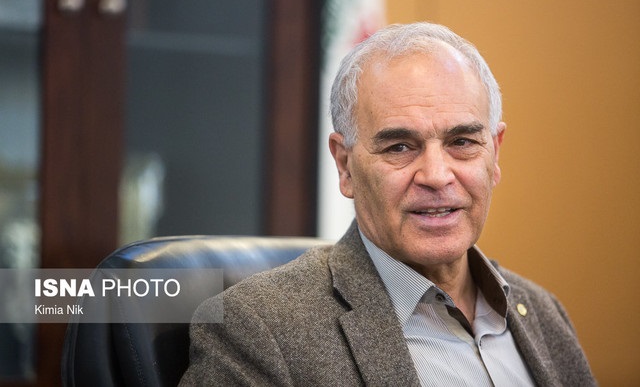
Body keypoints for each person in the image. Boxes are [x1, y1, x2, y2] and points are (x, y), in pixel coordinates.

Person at [180, 22, 596, 386]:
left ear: (495, 153)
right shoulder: (260, 329)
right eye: (399, 147)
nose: (436, 175)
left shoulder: (543, 313)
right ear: (345, 166)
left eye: (462, 142)